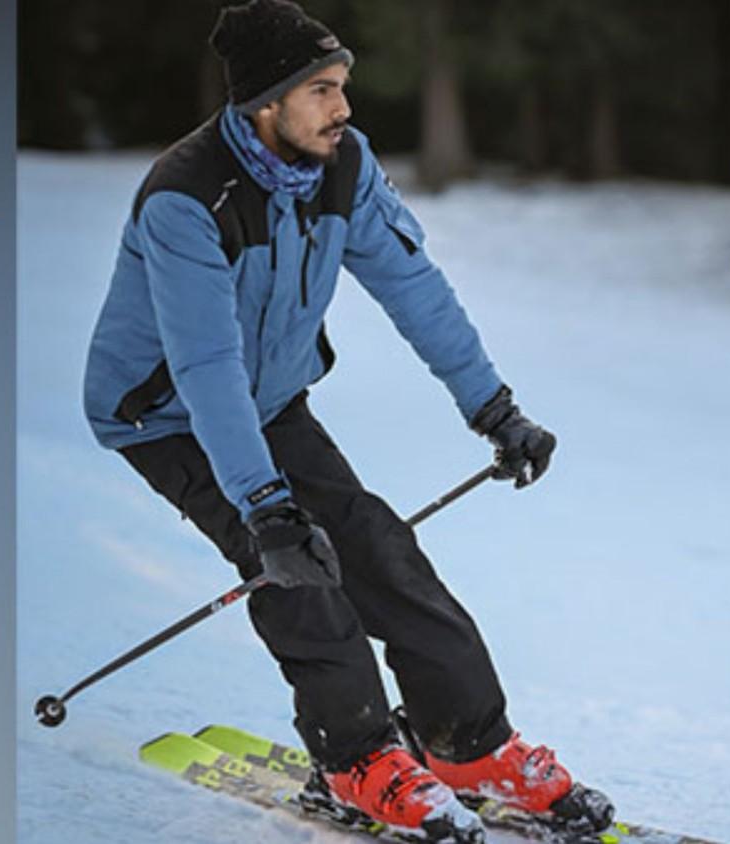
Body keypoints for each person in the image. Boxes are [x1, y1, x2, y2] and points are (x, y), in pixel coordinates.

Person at [81, 2, 611, 841]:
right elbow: (205, 367)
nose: (344, 108)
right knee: (294, 568)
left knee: (376, 545)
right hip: (169, 417)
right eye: (323, 90)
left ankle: (468, 746)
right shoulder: (184, 200)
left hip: (270, 399)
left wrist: (493, 408)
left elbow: (415, 287)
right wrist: (265, 507)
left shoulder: (342, 167)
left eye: (343, 87)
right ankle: (355, 758)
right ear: (267, 101)